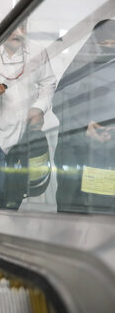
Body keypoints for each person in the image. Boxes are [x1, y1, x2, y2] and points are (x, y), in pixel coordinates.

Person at [0, 23, 56, 210]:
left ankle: (3, 224)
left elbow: (48, 83)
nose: (18, 33)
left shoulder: (37, 51)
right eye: (13, 29)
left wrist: (39, 108)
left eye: (22, 28)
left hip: (23, 130)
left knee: (16, 186)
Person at [53, 19, 115, 213]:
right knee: (73, 203)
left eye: (113, 44)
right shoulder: (80, 67)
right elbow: (59, 101)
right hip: (76, 149)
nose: (109, 48)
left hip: (108, 152)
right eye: (105, 44)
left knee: (102, 205)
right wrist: (83, 127)